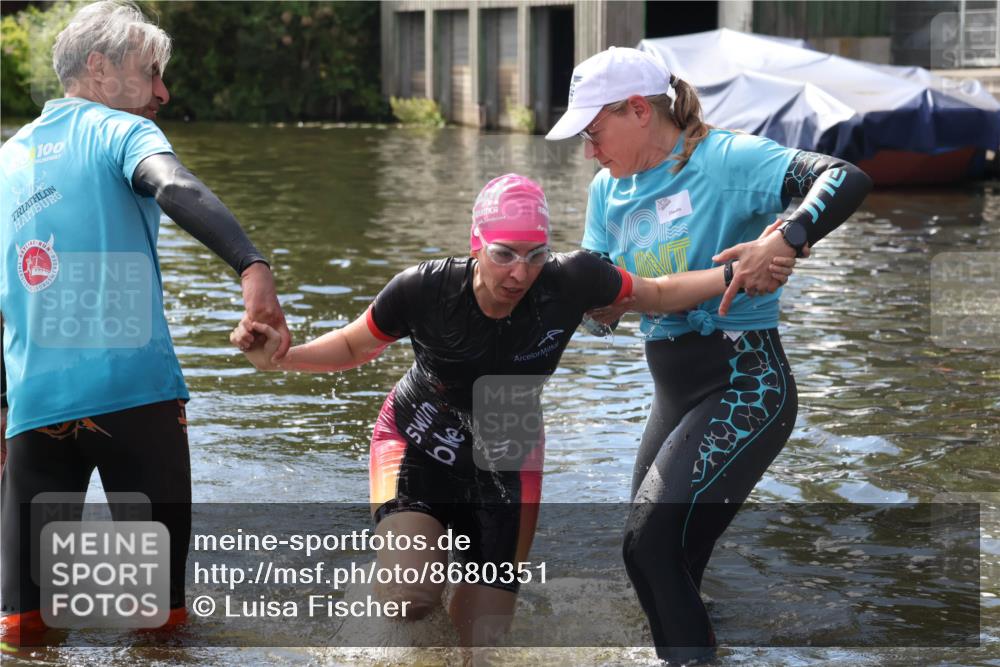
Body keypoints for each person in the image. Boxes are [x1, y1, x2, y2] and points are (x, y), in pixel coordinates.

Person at [231, 173, 795, 646]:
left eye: (534, 255)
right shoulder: (423, 289)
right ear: (477, 242)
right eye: (503, 255)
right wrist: (280, 360)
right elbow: (355, 346)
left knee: (486, 642)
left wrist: (734, 273)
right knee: (410, 599)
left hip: (508, 442)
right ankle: (404, 569)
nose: (519, 274)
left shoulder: (574, 280)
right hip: (417, 438)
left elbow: (657, 292)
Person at [545, 46, 873, 664]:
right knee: (667, 560)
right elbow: (602, 300)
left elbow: (844, 176)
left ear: (638, 110)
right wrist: (600, 309)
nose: (589, 150)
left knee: (648, 548)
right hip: (674, 391)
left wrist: (786, 236)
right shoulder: (604, 191)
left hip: (746, 384)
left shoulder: (725, 159)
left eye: (594, 132)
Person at [0, 0, 289, 648]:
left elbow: (6, 296)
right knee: (157, 625)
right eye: (151, 72)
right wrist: (251, 266)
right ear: (100, 70)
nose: (163, 91)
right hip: (135, 401)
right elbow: (173, 185)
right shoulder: (117, 131)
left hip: (34, 413)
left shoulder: (7, 160)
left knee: (23, 631)